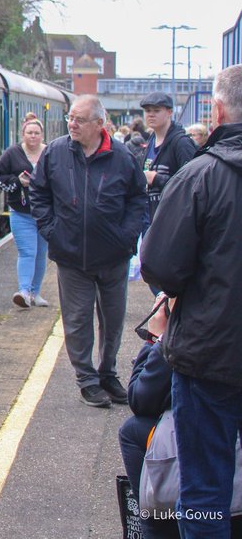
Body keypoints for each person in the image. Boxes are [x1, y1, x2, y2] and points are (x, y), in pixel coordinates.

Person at [141, 64, 242, 538]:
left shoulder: (200, 177)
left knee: (204, 493)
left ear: (218, 110)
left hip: (210, 357)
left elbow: (159, 265)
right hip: (212, 355)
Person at [30, 94, 148, 408]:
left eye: (79, 119)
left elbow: (138, 199)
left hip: (113, 256)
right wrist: (51, 231)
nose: (72, 124)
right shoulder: (55, 153)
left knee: (112, 318)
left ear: (99, 123)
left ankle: (108, 372)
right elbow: (39, 193)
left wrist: (127, 236)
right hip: (71, 256)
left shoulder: (122, 157)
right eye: (71, 118)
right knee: (77, 319)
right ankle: (87, 379)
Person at [120, 294, 181, 539]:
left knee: (133, 431)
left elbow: (141, 398)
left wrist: (157, 339)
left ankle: (155, 526)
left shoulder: (196, 328)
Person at [0, 118, 49, 309]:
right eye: (29, 133)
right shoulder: (12, 154)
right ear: (22, 135)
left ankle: (36, 293)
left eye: (36, 133)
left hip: (45, 213)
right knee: (27, 252)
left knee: (41, 254)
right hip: (21, 212)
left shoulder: (49, 153)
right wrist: (17, 181)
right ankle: (24, 291)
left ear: (42, 135)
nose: (33, 136)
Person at [140, 91, 198, 225]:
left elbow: (193, 184)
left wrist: (156, 178)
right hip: (149, 218)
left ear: (169, 112)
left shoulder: (181, 143)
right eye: (147, 110)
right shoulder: (150, 142)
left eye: (156, 110)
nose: (151, 114)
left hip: (173, 221)